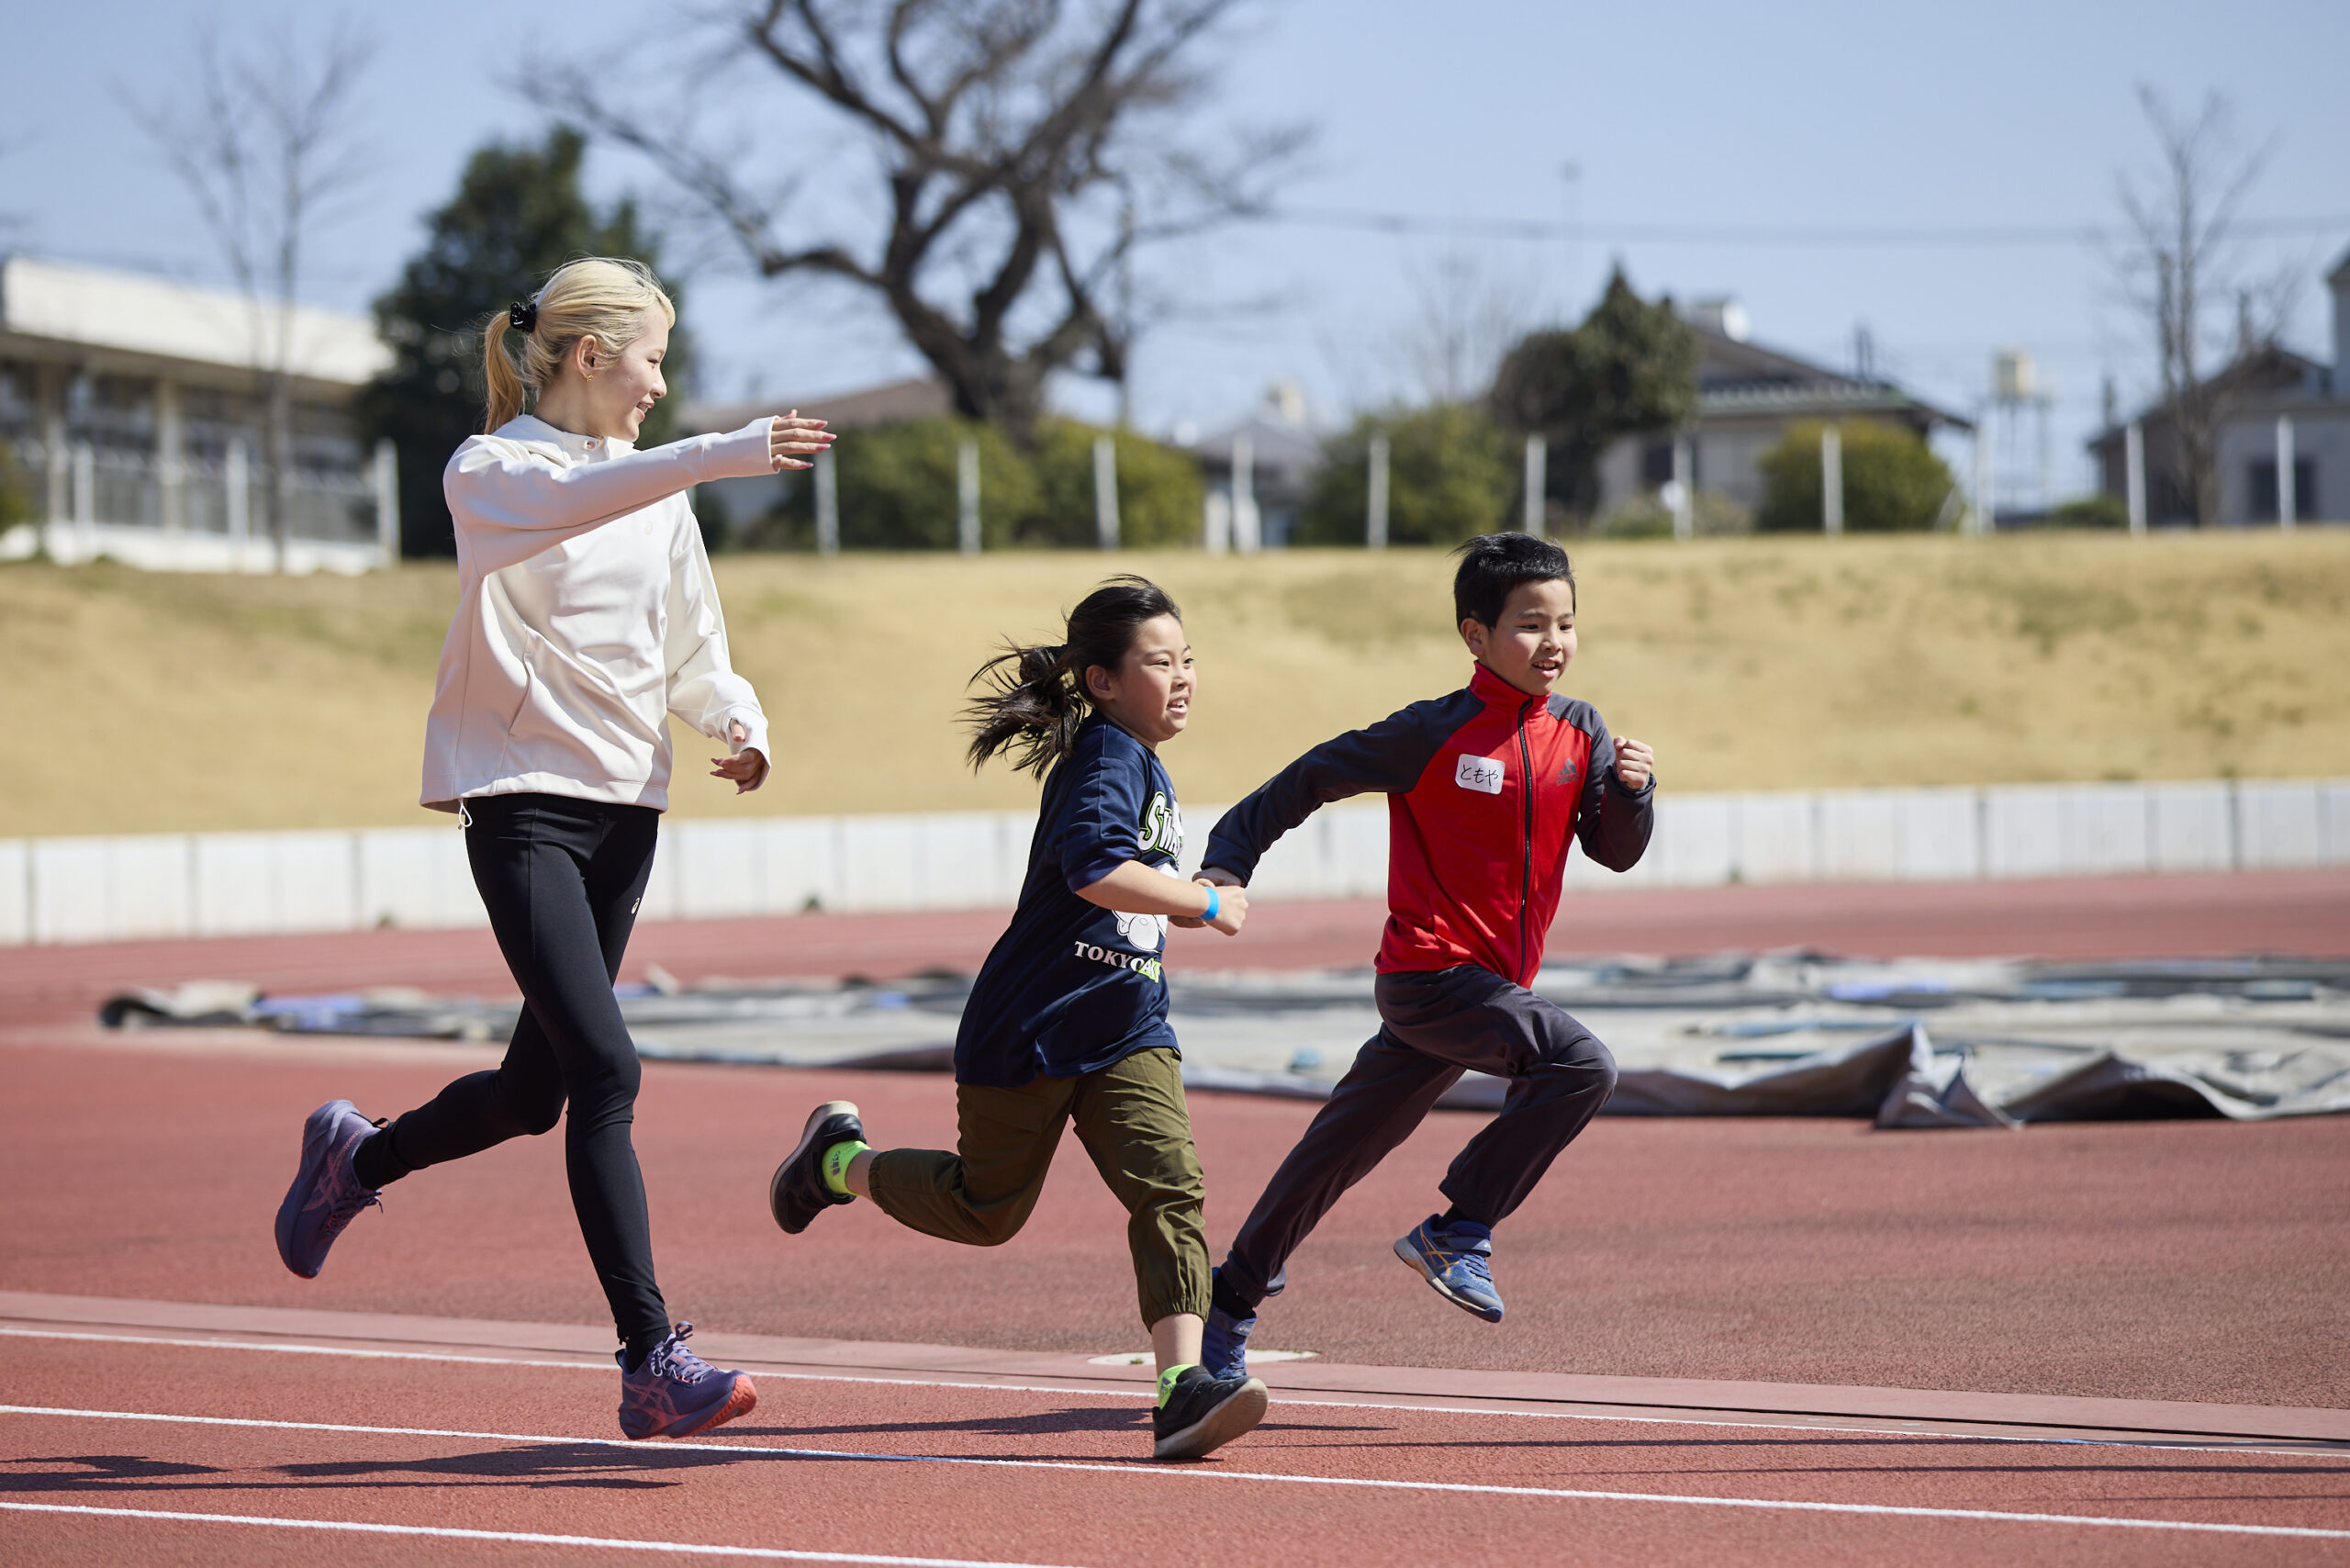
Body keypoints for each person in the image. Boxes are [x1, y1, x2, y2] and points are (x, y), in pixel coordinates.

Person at [272, 256, 834, 1441]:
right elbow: (579, 502)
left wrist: (739, 720)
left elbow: (692, 644)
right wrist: (722, 450)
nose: (660, 384)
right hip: (522, 799)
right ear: (589, 357)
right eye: (652, 359)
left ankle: (355, 1163)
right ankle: (650, 1359)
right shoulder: (493, 472)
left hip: (630, 806)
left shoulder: (655, 493)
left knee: (537, 1093)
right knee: (608, 1075)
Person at [766, 577, 1270, 1462]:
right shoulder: (1108, 758)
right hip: (1030, 1026)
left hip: (1126, 1028)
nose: (1184, 678)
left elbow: (1123, 894)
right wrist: (1202, 901)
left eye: (1189, 660)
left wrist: (1184, 903)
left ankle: (1179, 1390)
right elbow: (1095, 869)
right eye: (1161, 663)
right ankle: (837, 1162)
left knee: (1170, 1187)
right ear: (1102, 681)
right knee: (986, 1210)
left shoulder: (1143, 760)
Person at [1192, 532, 1656, 1379]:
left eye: (1566, 623)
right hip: (1429, 977)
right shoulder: (1431, 733)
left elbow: (1615, 851)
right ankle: (1457, 1230)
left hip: (1483, 993)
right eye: (1529, 624)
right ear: (1476, 636)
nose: (1553, 642)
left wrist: (1632, 793)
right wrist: (1230, 857)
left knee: (1333, 1153)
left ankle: (1226, 1306)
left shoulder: (1583, 731)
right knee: (1583, 1066)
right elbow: (1310, 775)